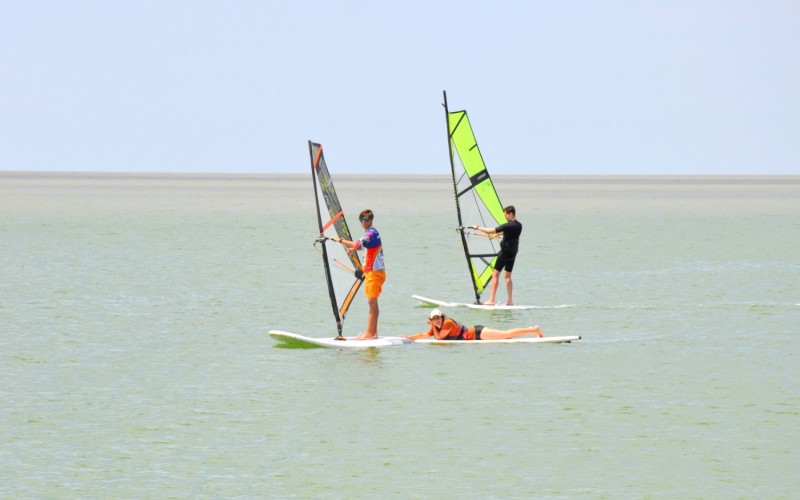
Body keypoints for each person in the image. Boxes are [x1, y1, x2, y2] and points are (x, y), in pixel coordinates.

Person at [331, 209, 385, 340]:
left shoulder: (371, 233)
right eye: (361, 220)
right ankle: (373, 333)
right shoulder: (370, 234)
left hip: (374, 273)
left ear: (371, 220)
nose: (363, 222)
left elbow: (358, 243)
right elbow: (363, 246)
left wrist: (340, 240)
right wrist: (353, 249)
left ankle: (370, 334)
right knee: (372, 302)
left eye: (365, 220)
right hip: (372, 273)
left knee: (372, 302)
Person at [470, 205, 522, 306]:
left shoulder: (507, 225)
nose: (505, 217)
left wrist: (477, 227)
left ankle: (491, 300)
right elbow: (510, 234)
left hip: (505, 252)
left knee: (495, 275)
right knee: (508, 276)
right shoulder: (519, 225)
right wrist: (502, 234)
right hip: (513, 252)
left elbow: (490, 231)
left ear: (510, 214)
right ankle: (510, 301)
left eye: (506, 215)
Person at [403, 309, 544, 341]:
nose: (437, 321)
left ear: (442, 317)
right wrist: (408, 337)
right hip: (476, 336)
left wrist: (432, 325)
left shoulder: (447, 323)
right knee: (506, 338)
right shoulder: (436, 327)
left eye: (438, 318)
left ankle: (534, 330)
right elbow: (423, 335)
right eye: (434, 319)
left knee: (506, 335)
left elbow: (439, 338)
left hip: (477, 333)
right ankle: (531, 330)